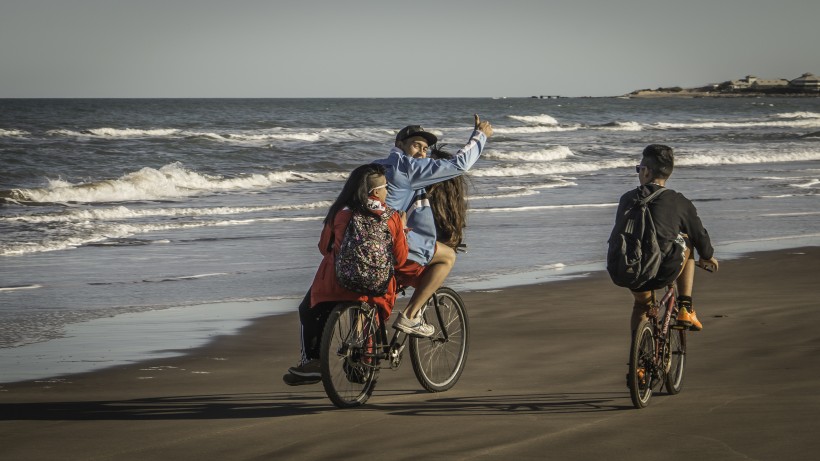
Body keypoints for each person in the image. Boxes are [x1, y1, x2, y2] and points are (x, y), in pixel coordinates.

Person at [284, 164, 408, 385]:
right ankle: (366, 359)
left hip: (336, 282)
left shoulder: (340, 213)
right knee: (370, 311)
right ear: (376, 192)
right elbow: (400, 258)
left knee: (309, 310)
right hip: (376, 286)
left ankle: (312, 361)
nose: (388, 191)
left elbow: (324, 247)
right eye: (386, 187)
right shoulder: (392, 216)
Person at [374, 115, 492, 337]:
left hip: (359, 240)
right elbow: (459, 164)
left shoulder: (373, 167)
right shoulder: (409, 168)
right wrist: (480, 135)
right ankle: (410, 316)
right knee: (447, 256)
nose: (421, 153)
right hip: (389, 243)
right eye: (416, 145)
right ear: (399, 145)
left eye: (425, 149)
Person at [610, 144, 719, 332]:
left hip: (628, 269)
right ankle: (685, 306)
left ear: (645, 172)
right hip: (663, 272)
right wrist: (707, 255)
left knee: (641, 306)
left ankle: (639, 360)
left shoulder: (627, 199)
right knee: (687, 240)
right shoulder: (679, 201)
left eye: (639, 169)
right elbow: (699, 234)